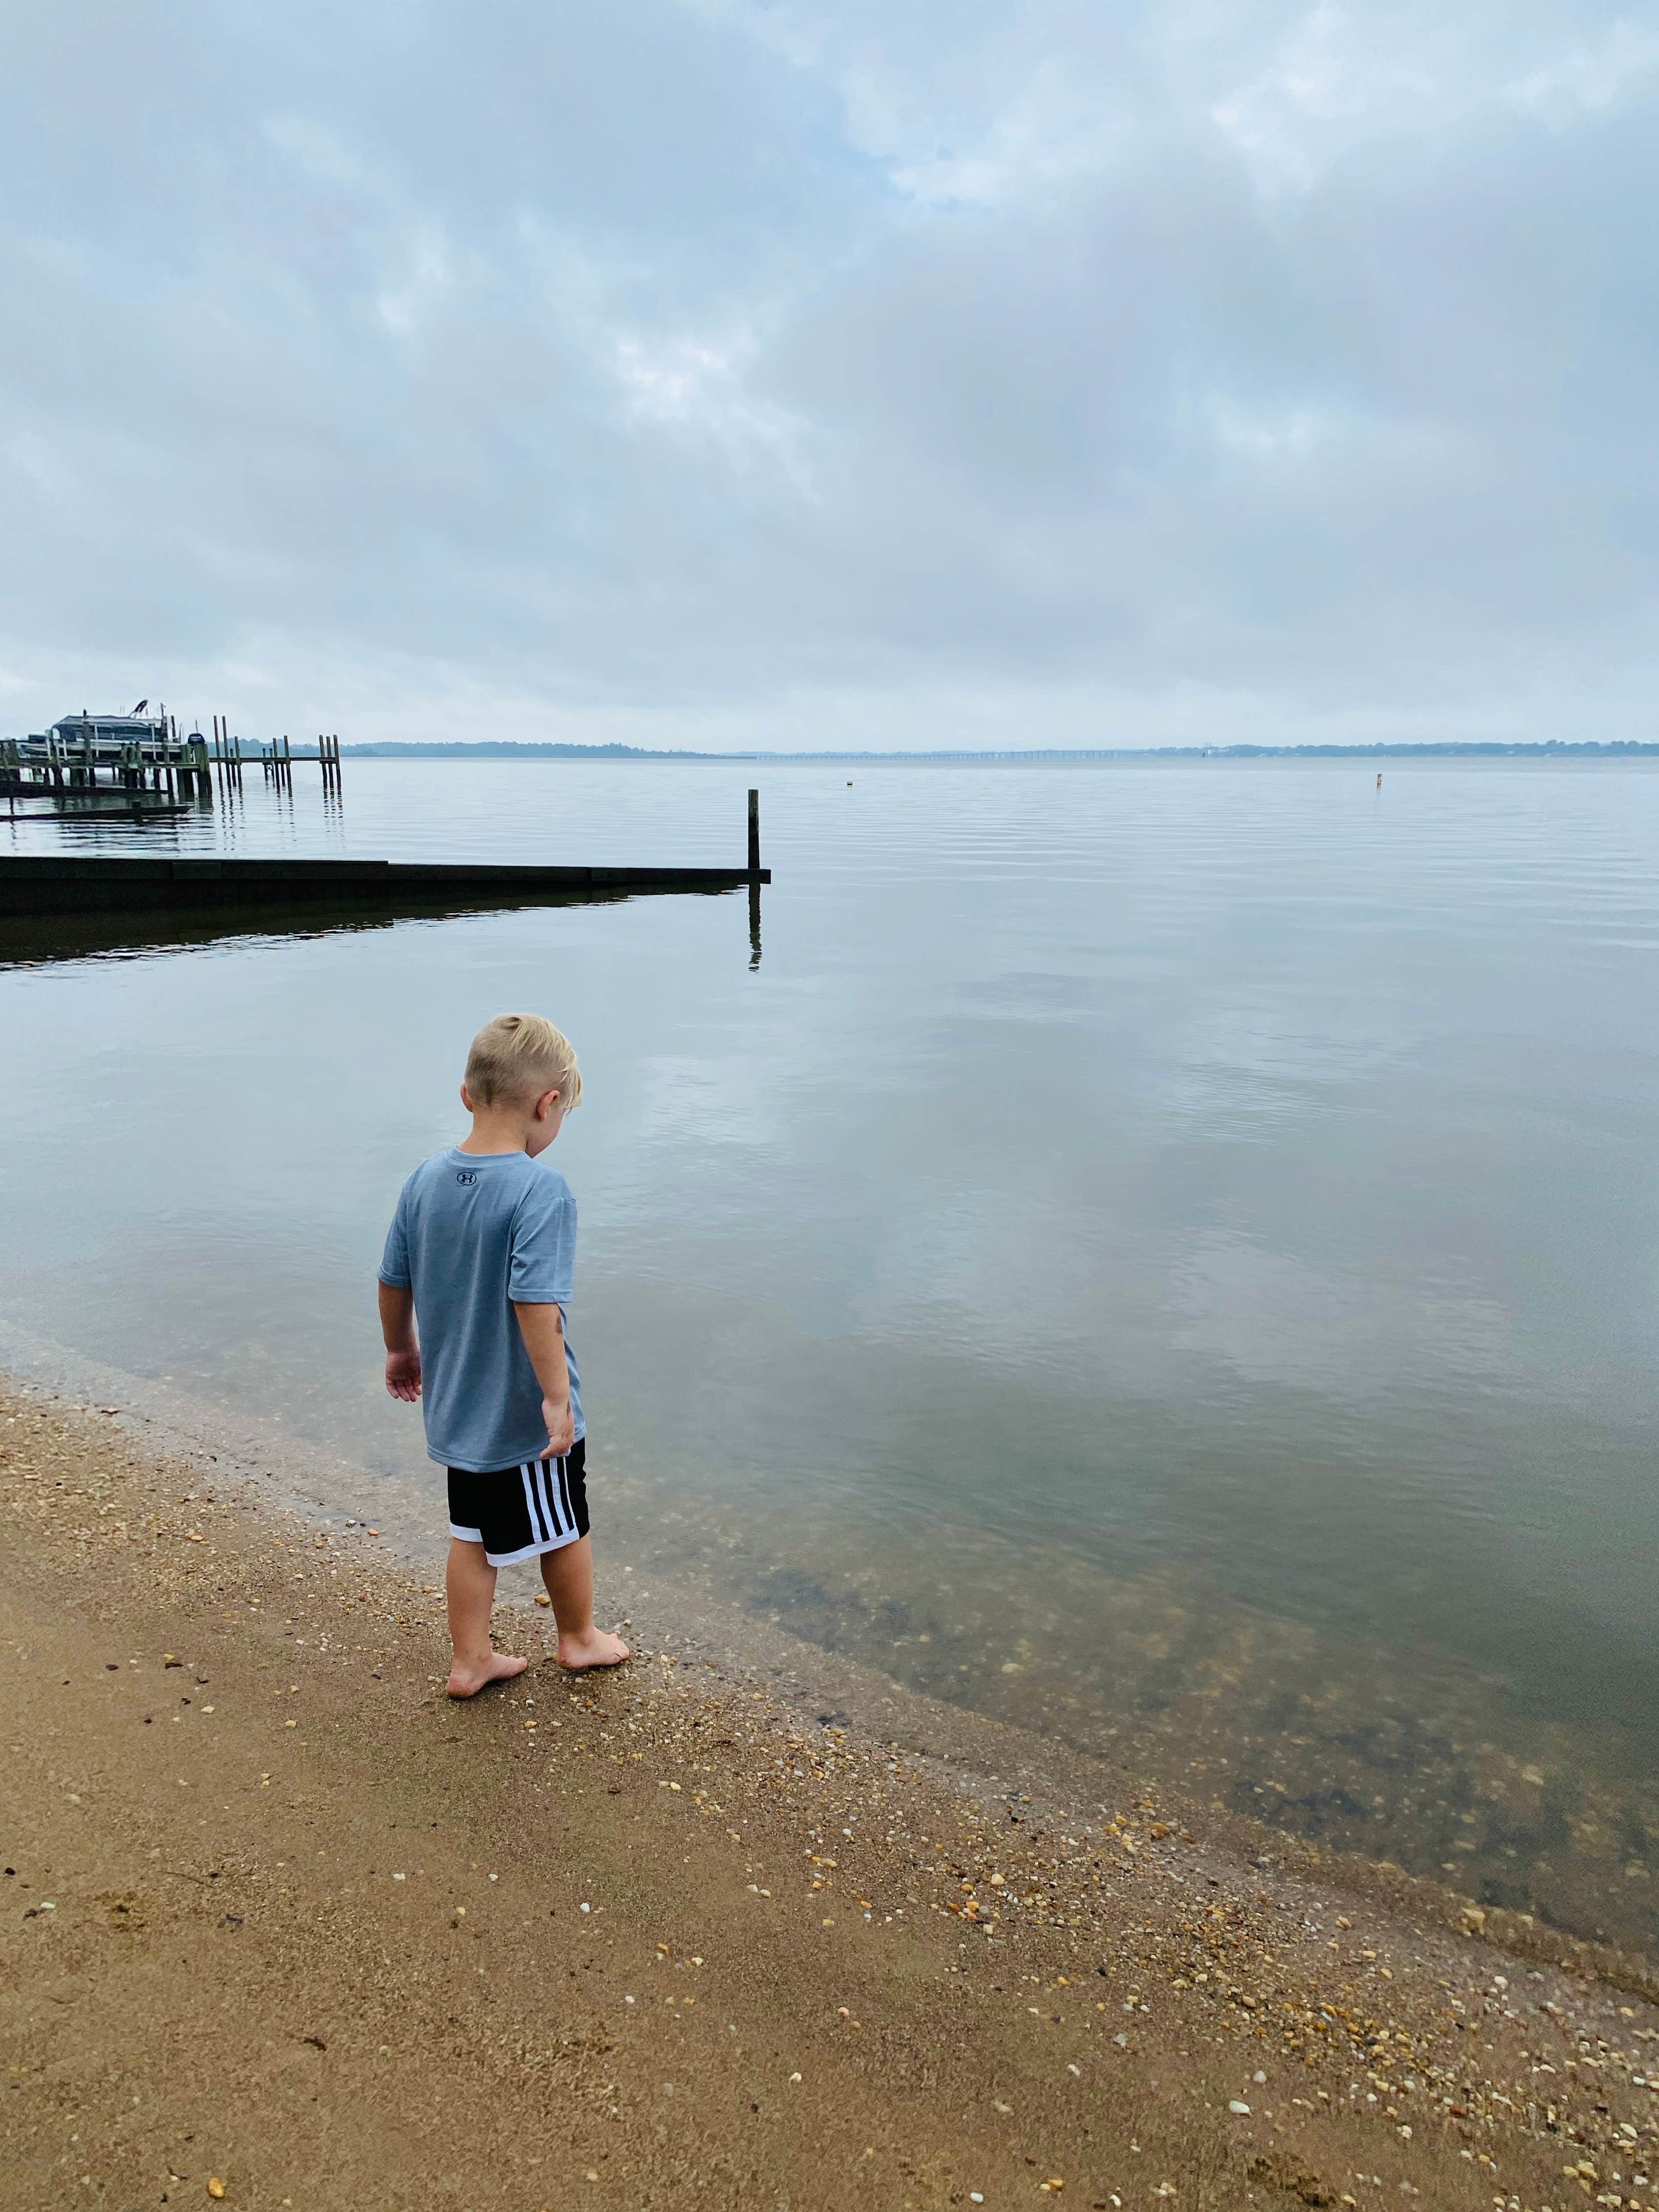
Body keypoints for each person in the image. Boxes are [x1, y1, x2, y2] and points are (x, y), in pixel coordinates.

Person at [376, 1013, 630, 1697]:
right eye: (563, 1113)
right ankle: (579, 1638)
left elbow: (394, 1278)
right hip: (520, 1415)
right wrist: (556, 1399)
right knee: (565, 1523)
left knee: (471, 1533)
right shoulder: (540, 1190)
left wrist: (401, 1349)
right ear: (548, 1104)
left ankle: (470, 1659)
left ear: (467, 1095)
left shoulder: (424, 1179)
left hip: (457, 1406)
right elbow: (535, 1304)